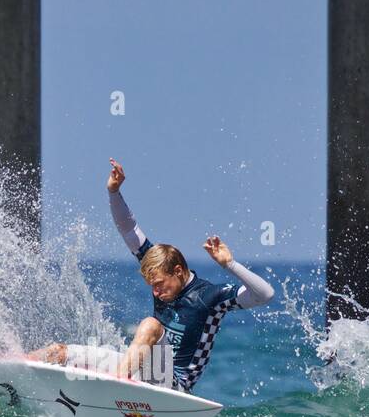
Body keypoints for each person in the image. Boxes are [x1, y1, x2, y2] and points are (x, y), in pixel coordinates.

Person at [28, 159, 274, 392]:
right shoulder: (159, 270)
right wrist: (114, 193)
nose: (155, 292)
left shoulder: (210, 297)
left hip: (175, 386)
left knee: (150, 325)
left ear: (177, 271)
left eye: (158, 285)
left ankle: (114, 387)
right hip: (142, 373)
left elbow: (265, 294)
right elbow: (130, 230)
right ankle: (6, 366)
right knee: (59, 353)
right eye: (151, 286)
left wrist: (229, 264)